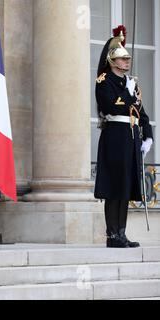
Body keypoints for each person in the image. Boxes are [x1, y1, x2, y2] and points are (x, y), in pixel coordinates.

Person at [94, 25, 153, 248]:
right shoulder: (104, 80)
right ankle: (112, 235)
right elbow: (110, 105)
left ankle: (122, 233)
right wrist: (128, 94)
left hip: (131, 137)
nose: (127, 61)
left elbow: (142, 112)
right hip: (115, 136)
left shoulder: (131, 83)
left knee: (126, 186)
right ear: (113, 61)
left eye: (128, 58)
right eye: (123, 58)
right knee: (114, 186)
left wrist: (147, 136)